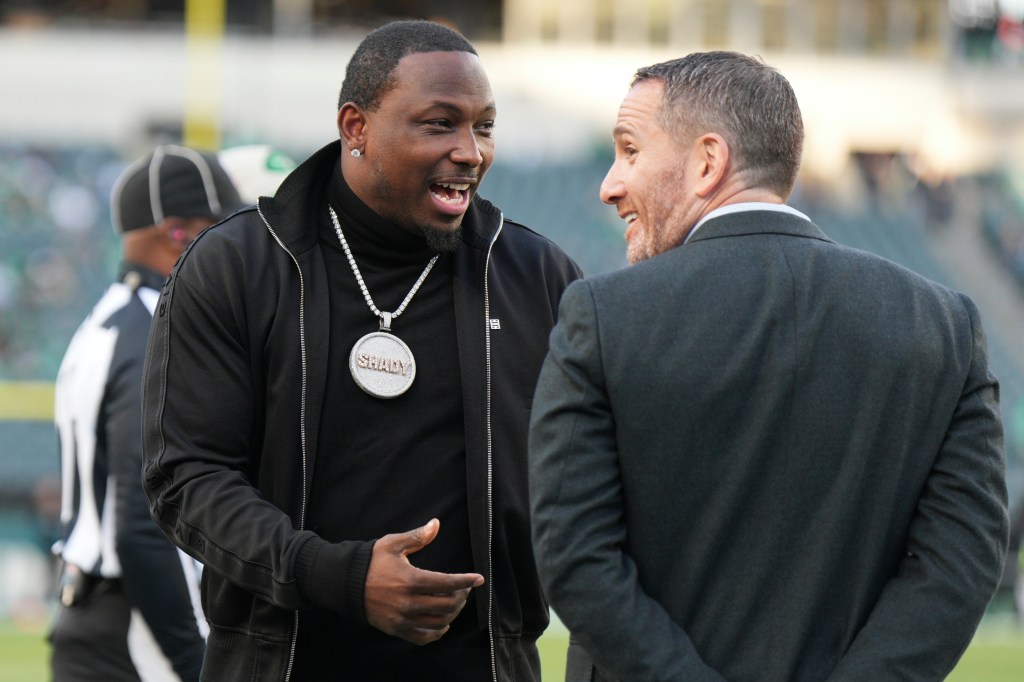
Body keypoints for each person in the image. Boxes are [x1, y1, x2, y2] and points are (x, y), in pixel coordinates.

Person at [528, 51, 1009, 682]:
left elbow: (574, 556)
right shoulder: (944, 323)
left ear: (707, 162)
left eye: (629, 151)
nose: (610, 184)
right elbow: (961, 565)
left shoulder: (602, 315)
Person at [140, 19, 581, 682]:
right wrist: (337, 576)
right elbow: (187, 479)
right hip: (281, 664)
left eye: (484, 127)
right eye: (440, 123)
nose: (471, 152)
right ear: (355, 127)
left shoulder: (536, 277)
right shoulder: (238, 266)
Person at [50, 144, 244, 681]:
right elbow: (141, 520)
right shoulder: (156, 326)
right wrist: (196, 662)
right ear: (178, 232)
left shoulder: (108, 319)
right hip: (137, 629)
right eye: (221, 228)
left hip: (98, 613)